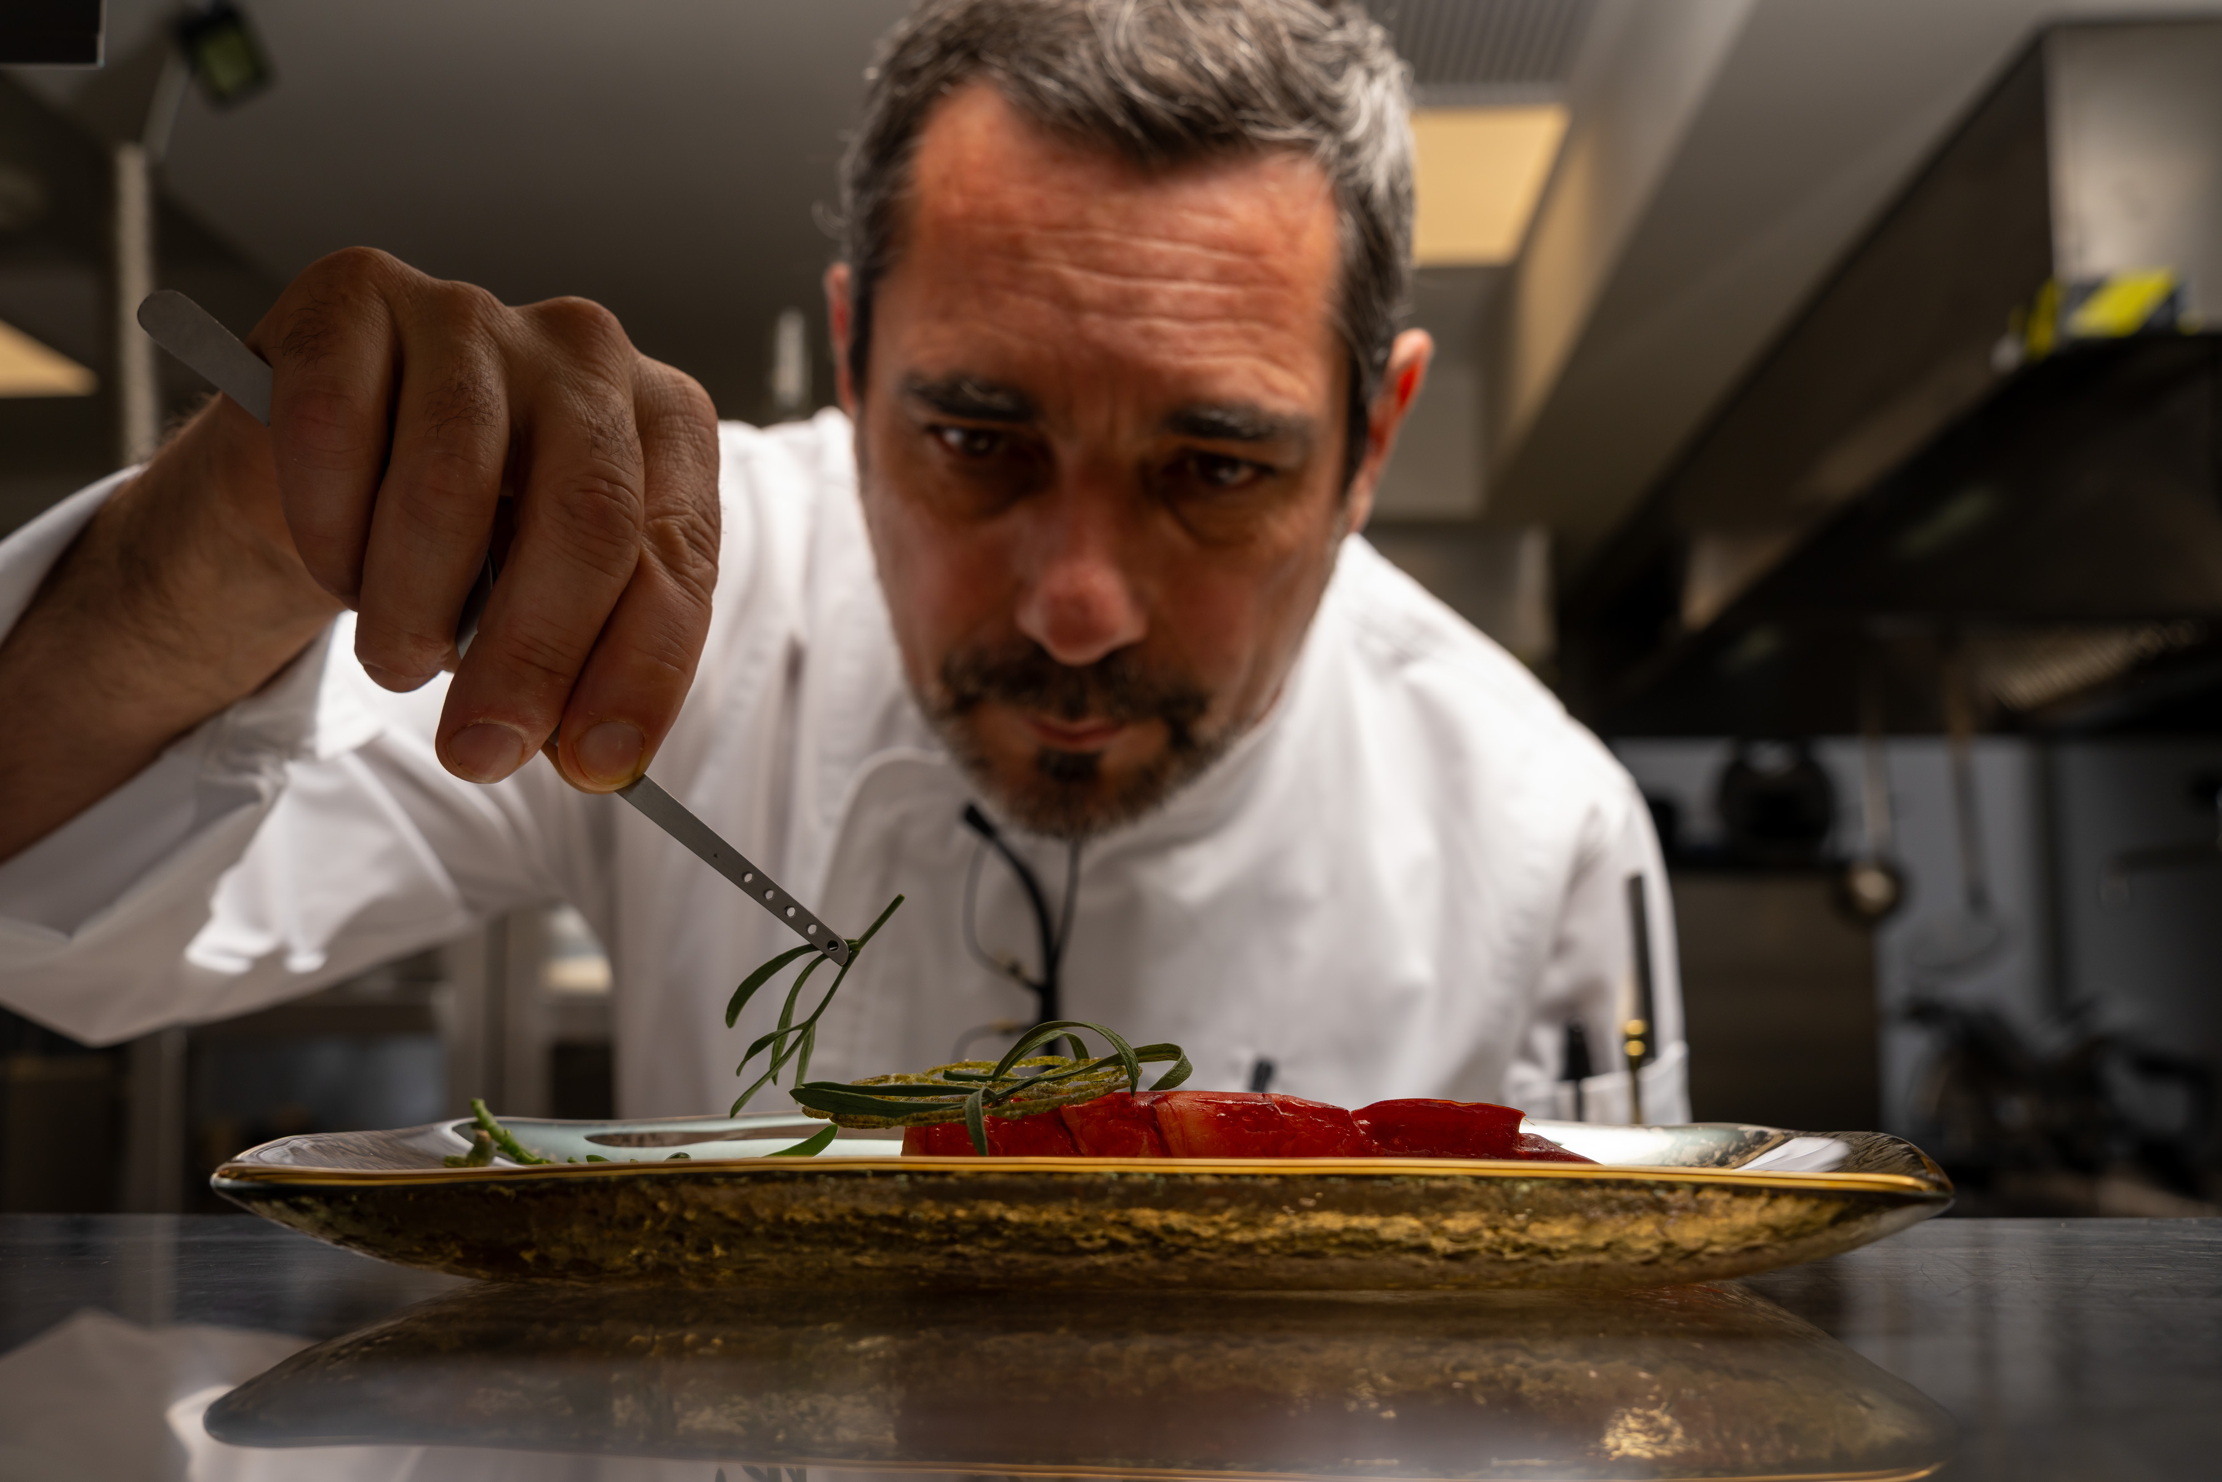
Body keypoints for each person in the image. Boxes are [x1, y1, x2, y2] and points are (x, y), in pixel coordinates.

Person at [0, 0, 1686, 1123]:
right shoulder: (667, 598)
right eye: (973, 441)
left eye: (1216, 468)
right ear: (852, 361)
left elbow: (1600, 1387)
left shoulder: (1539, 829)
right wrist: (211, 557)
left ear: (1372, 438)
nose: (1075, 603)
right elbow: (56, 927)